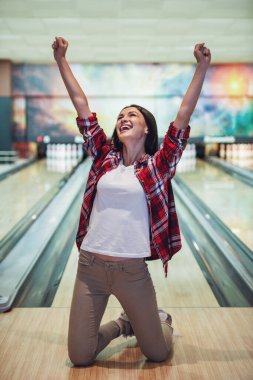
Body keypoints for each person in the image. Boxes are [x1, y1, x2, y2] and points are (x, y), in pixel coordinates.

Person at [52, 37, 211, 366]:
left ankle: (160, 320)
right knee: (79, 356)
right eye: (121, 115)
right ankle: (124, 324)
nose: (124, 118)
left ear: (146, 129)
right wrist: (61, 60)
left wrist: (202, 67)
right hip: (90, 268)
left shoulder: (158, 166)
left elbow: (183, 116)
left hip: (131, 271)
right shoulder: (103, 158)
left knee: (157, 353)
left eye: (133, 116)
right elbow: (82, 107)